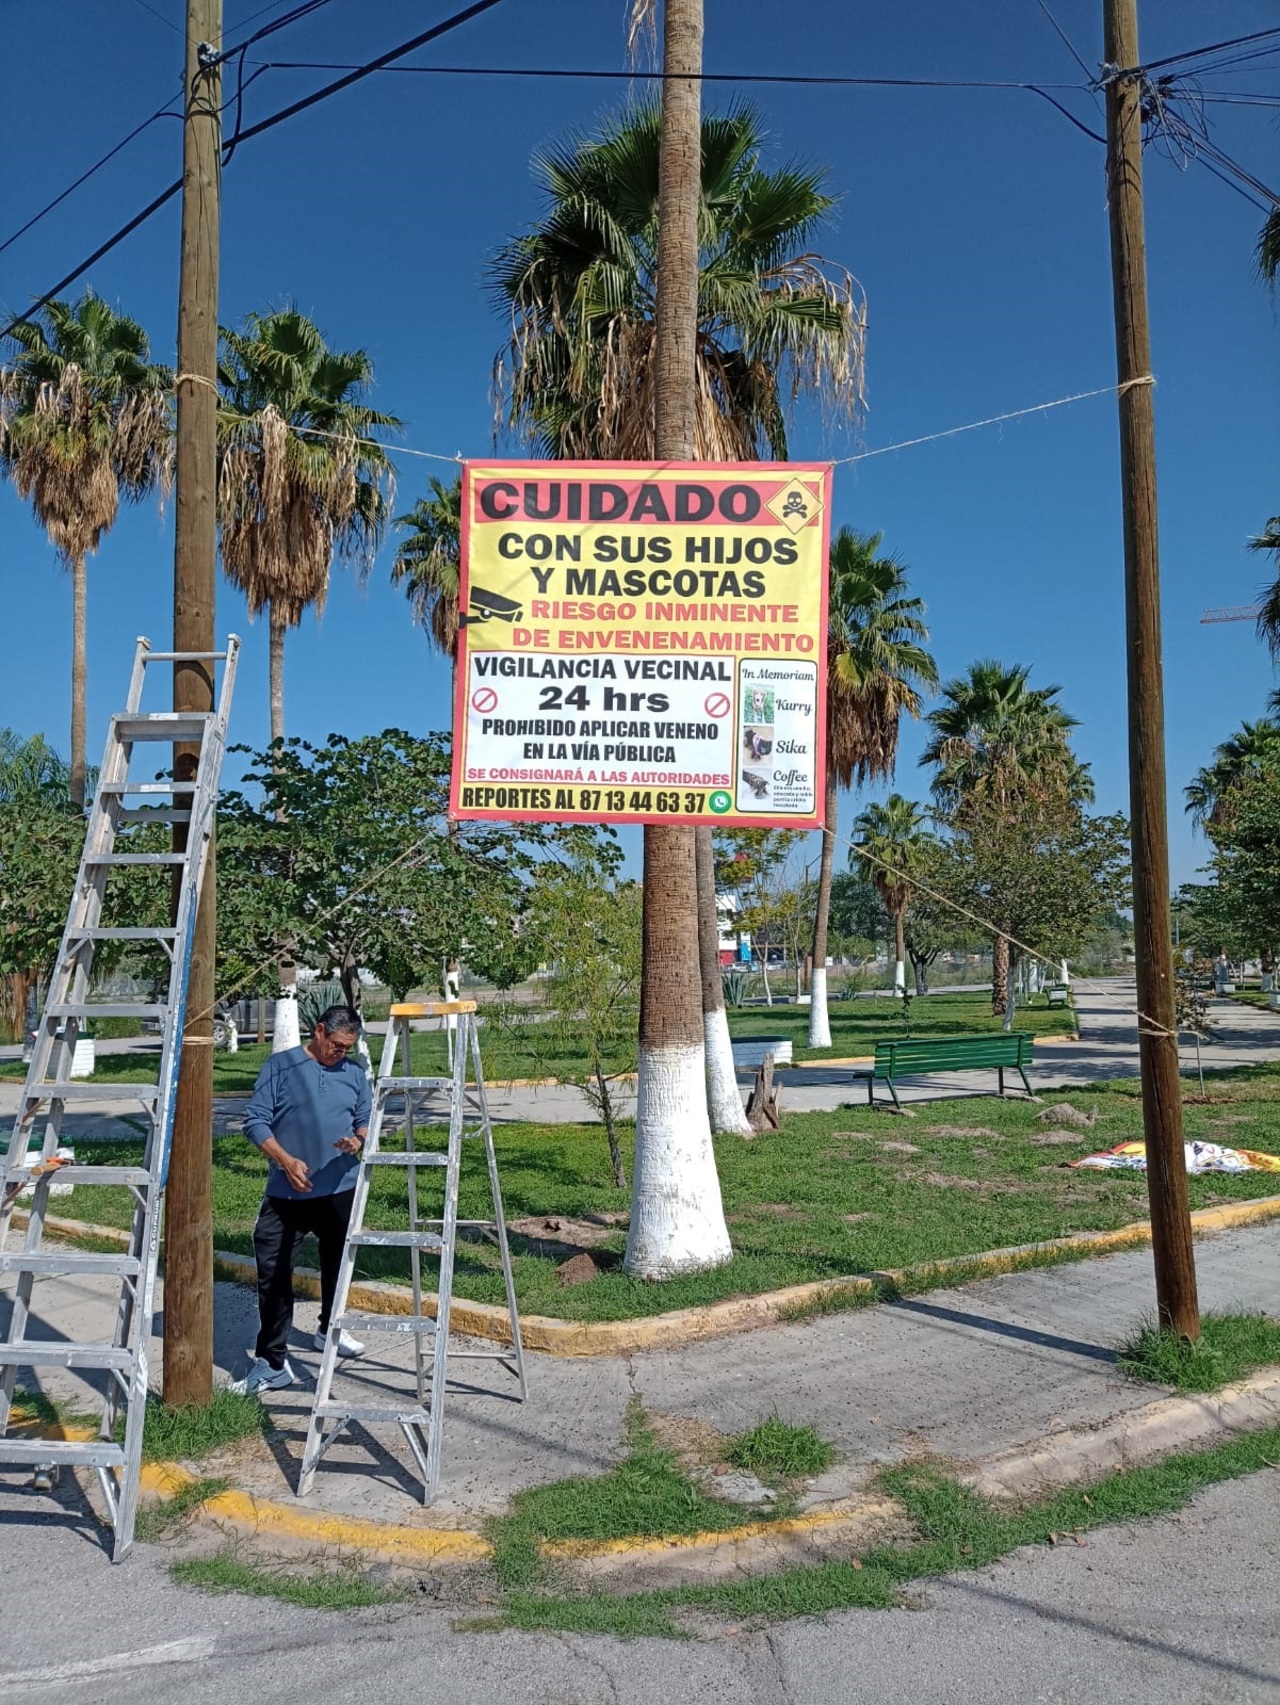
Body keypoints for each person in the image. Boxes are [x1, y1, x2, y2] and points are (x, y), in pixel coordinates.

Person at [231, 1004, 372, 1395]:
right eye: (338, 1045)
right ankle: (272, 1363)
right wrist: (285, 1160)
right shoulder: (281, 1067)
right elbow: (255, 1121)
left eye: (348, 1048)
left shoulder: (355, 1074)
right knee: (273, 1272)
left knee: (337, 1266)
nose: (341, 1053)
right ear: (320, 1031)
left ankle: (330, 1329)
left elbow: (366, 1116)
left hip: (340, 1188)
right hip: (286, 1191)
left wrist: (358, 1139)